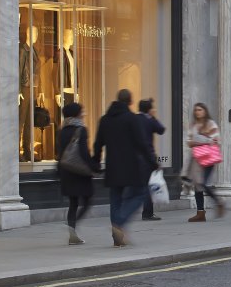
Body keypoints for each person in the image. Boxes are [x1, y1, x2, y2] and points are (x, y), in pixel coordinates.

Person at [93, 89, 156, 247]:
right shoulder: (131, 119)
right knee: (140, 194)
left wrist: (95, 161)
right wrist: (152, 161)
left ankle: (117, 235)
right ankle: (119, 223)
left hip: (112, 165)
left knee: (115, 198)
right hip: (131, 165)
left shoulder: (105, 119)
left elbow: (98, 143)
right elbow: (142, 143)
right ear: (130, 101)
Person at [57, 102, 96, 245]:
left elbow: (60, 153)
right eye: (82, 111)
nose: (83, 113)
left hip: (66, 170)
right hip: (79, 171)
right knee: (87, 201)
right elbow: (84, 152)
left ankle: (72, 233)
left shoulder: (62, 129)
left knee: (73, 203)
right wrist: (94, 166)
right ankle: (72, 228)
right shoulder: (81, 129)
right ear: (76, 114)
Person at [186, 102, 224, 222]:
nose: (198, 112)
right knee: (197, 185)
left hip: (208, 158)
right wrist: (203, 141)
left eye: (200, 109)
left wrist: (200, 140)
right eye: (196, 110)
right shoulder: (193, 125)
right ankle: (200, 213)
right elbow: (189, 142)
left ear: (205, 111)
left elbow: (216, 140)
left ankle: (218, 202)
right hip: (196, 159)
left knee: (203, 183)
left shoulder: (210, 124)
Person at [136, 98, 166, 222]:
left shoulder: (135, 119)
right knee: (148, 186)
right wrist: (153, 117)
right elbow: (161, 130)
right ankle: (147, 213)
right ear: (149, 109)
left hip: (134, 157)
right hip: (147, 158)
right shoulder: (149, 121)